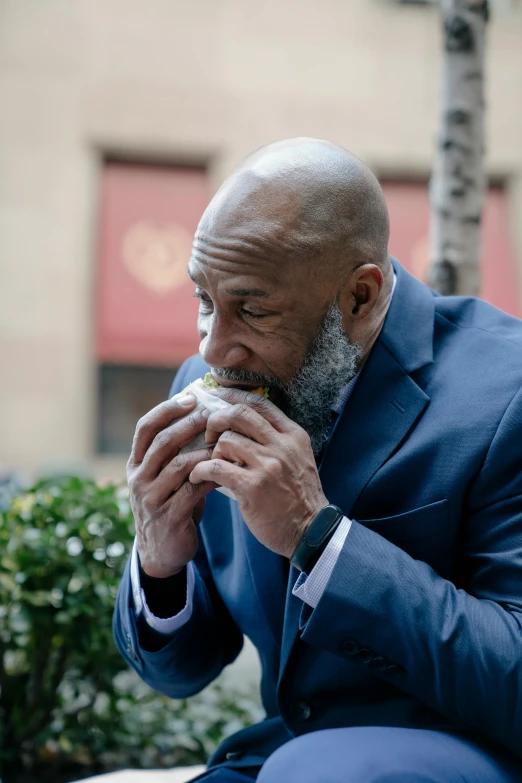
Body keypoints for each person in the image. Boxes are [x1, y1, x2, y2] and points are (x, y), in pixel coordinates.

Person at [114, 138, 522, 782]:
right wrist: (160, 562)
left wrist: (319, 538)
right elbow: (180, 673)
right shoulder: (209, 379)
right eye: (203, 300)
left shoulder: (509, 390)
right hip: (275, 761)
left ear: (360, 297)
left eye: (252, 309)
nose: (214, 349)